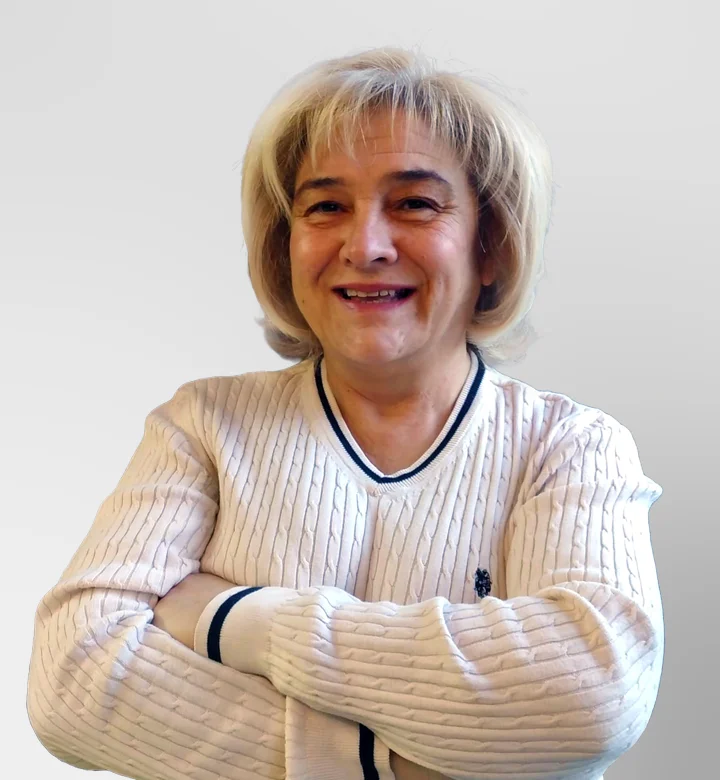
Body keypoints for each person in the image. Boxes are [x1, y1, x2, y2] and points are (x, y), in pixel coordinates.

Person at [26, 46, 664, 780]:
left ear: (490, 246)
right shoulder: (200, 426)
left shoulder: (572, 448)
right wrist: (391, 762)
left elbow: (591, 696)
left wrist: (230, 618)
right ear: (286, 245)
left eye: (415, 203)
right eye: (326, 206)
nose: (365, 246)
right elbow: (72, 686)